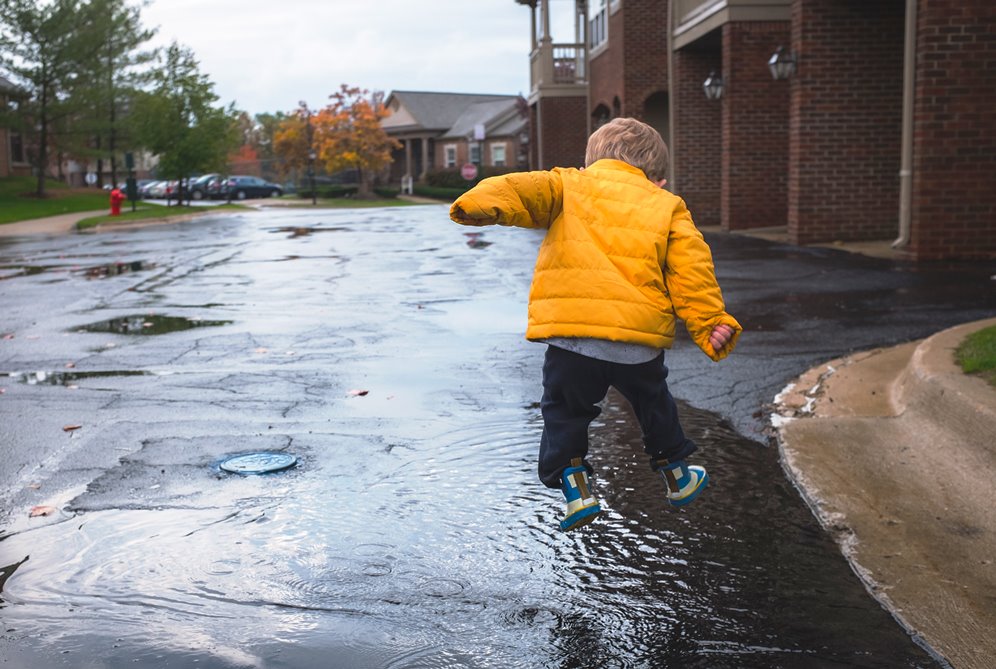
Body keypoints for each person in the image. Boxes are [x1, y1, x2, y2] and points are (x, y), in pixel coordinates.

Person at [449, 117, 742, 532]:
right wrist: (710, 321)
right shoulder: (666, 205)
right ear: (655, 176)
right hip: (635, 342)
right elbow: (691, 271)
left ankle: (576, 487)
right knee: (653, 402)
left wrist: (477, 204)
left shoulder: (569, 185)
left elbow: (518, 189)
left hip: (573, 339)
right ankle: (677, 474)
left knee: (565, 410)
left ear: (589, 162)